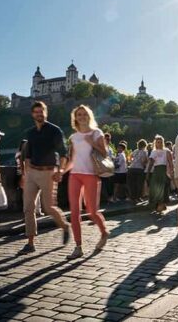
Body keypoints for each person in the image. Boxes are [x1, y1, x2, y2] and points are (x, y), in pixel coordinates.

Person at [57, 105, 109, 259]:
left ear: (89, 116)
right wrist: (62, 171)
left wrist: (92, 142)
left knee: (92, 211)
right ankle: (78, 247)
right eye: (79, 115)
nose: (82, 117)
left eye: (84, 114)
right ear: (75, 118)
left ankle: (104, 232)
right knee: (74, 213)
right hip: (75, 176)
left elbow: (105, 153)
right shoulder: (73, 137)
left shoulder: (96, 132)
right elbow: (72, 160)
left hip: (91, 175)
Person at [20, 101, 71, 254]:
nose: (39, 114)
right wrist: (25, 174)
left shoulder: (54, 130)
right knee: (28, 208)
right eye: (36, 112)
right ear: (32, 114)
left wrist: (60, 171)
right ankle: (30, 242)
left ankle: (65, 226)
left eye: (41, 111)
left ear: (45, 112)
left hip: (49, 173)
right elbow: (27, 156)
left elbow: (63, 153)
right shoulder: (30, 133)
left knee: (49, 208)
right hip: (32, 173)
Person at [146, 135, 172, 215]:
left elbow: (170, 163)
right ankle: (158, 205)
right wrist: (148, 173)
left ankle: (161, 205)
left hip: (164, 171)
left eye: (161, 142)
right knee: (155, 188)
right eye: (158, 142)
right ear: (155, 143)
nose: (159, 143)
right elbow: (150, 163)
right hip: (156, 171)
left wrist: (171, 171)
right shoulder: (154, 152)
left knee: (163, 188)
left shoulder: (166, 151)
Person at [16, 140, 42, 217]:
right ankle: (36, 210)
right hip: (27, 174)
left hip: (21, 174)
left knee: (26, 194)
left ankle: (28, 211)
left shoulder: (18, 154)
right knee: (34, 193)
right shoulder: (24, 154)